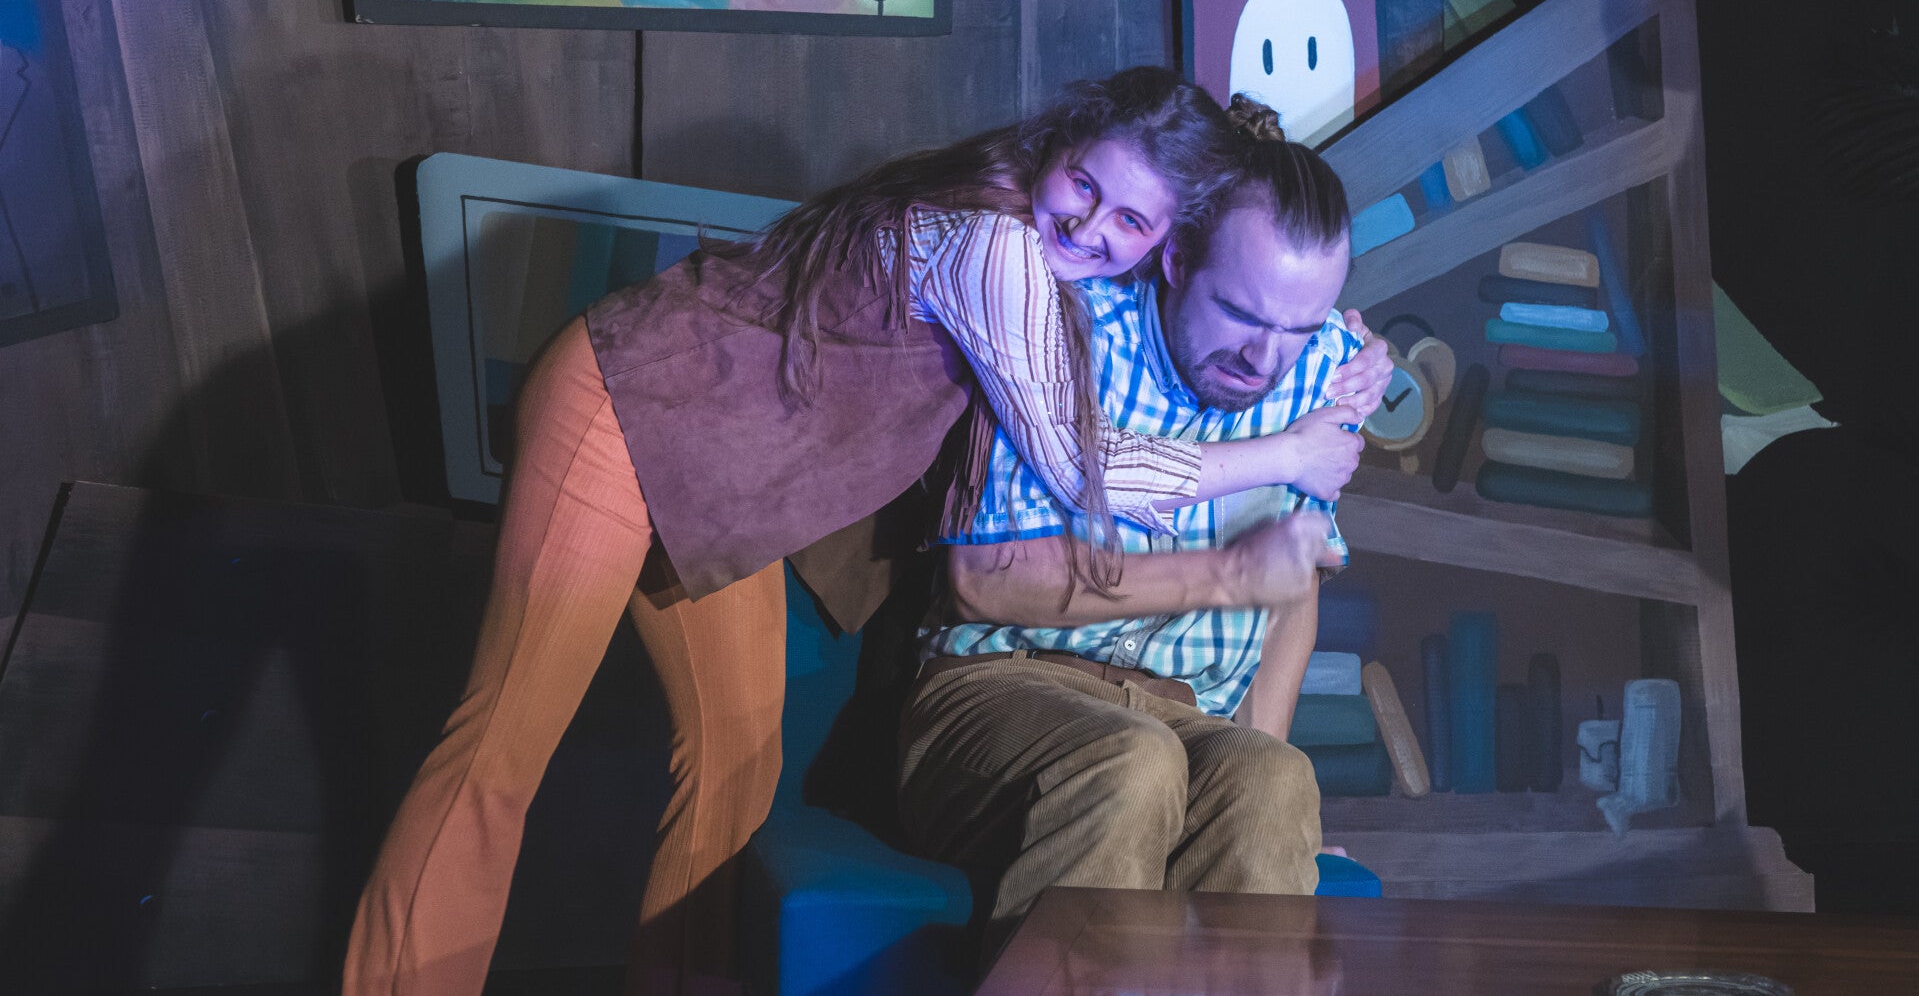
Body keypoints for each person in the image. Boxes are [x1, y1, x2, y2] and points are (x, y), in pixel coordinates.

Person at [343, 69, 1382, 996]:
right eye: (1084, 184)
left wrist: (1341, 342)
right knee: (499, 750)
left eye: (1129, 219)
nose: (1091, 225)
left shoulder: (1103, 270)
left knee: (733, 773)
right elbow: (1084, 466)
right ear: (1056, 147)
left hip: (727, 484)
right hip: (626, 405)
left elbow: (1252, 295)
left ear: (1161, 241)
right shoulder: (997, 244)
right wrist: (1286, 455)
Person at [898, 111, 1366, 934]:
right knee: (1132, 761)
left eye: (1296, 328)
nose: (1263, 359)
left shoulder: (1327, 368)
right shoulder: (1065, 330)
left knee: (1275, 778)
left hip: (1184, 712)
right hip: (1001, 686)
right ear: (1176, 259)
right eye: (1240, 313)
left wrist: (1259, 775)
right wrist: (1226, 574)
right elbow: (983, 581)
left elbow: (1296, 581)